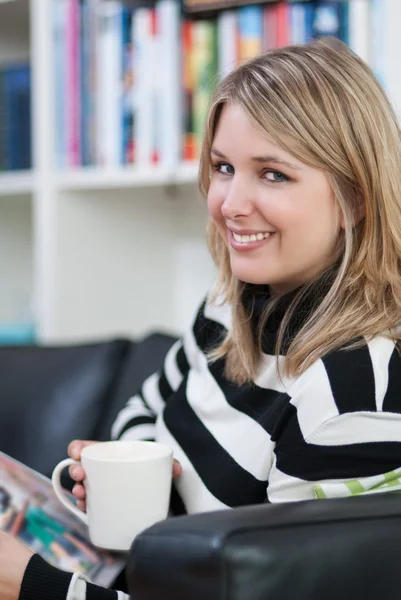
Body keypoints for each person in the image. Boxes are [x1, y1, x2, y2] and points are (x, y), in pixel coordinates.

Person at [2, 35, 401, 600]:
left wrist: (28, 583)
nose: (230, 205)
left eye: (273, 174)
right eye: (222, 167)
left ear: (355, 197)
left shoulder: (355, 393)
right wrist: (141, 486)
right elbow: (140, 411)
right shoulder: (228, 304)